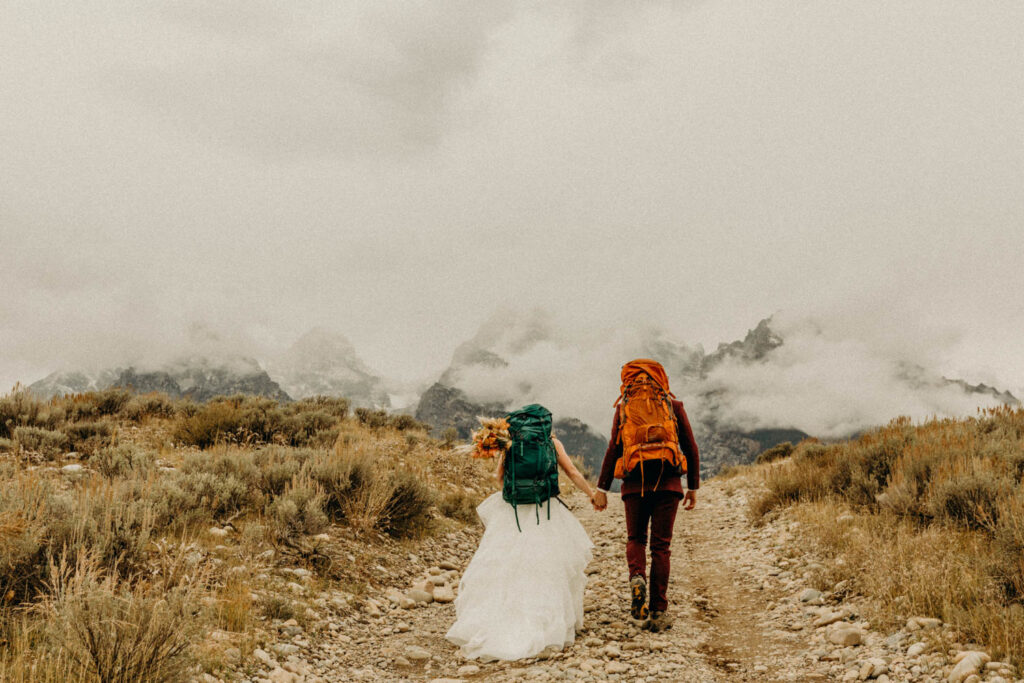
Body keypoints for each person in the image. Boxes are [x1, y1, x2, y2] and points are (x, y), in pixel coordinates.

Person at [446, 404, 598, 661]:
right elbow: (572, 472)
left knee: (503, 564)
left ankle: (495, 620)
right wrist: (593, 495)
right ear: (546, 424)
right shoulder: (552, 443)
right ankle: (549, 624)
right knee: (547, 567)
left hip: (513, 512)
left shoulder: (510, 442)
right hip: (545, 510)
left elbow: (499, 478)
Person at [592, 359, 699, 632]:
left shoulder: (624, 408)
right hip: (669, 485)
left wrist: (602, 488)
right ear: (661, 379)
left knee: (635, 538)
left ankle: (637, 576)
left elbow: (613, 450)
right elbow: (691, 447)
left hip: (633, 486)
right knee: (661, 547)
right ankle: (659, 611)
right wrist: (693, 487)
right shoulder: (673, 407)